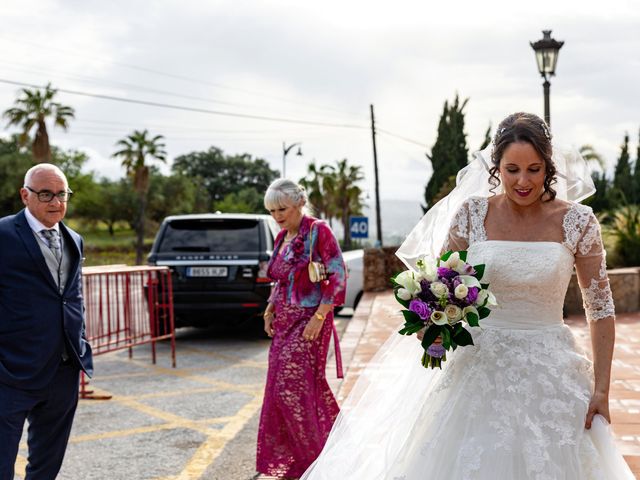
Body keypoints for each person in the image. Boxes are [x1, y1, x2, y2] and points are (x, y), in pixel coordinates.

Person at [300, 112, 635, 479]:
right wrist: (429, 322)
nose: (523, 181)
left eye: (534, 169)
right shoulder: (472, 214)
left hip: (552, 368)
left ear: (549, 167)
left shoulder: (578, 221)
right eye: (512, 170)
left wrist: (602, 388)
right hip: (479, 368)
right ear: (496, 167)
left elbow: (600, 308)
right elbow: (439, 282)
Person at [0, 163, 93, 480]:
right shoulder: (3, 235)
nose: (56, 202)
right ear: (25, 195)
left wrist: (80, 345)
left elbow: (70, 296)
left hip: (63, 371)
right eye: (45, 194)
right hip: (10, 372)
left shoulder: (74, 239)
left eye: (62, 194)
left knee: (47, 464)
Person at [256, 178, 347, 480]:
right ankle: (323, 451)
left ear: (298, 204)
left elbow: (337, 274)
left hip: (310, 321)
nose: (277, 215)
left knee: (291, 387)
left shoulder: (317, 230)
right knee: (287, 389)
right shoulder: (282, 236)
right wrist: (269, 309)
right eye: (272, 211)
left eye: (282, 208)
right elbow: (280, 280)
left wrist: (319, 317)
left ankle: (316, 458)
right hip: (283, 321)